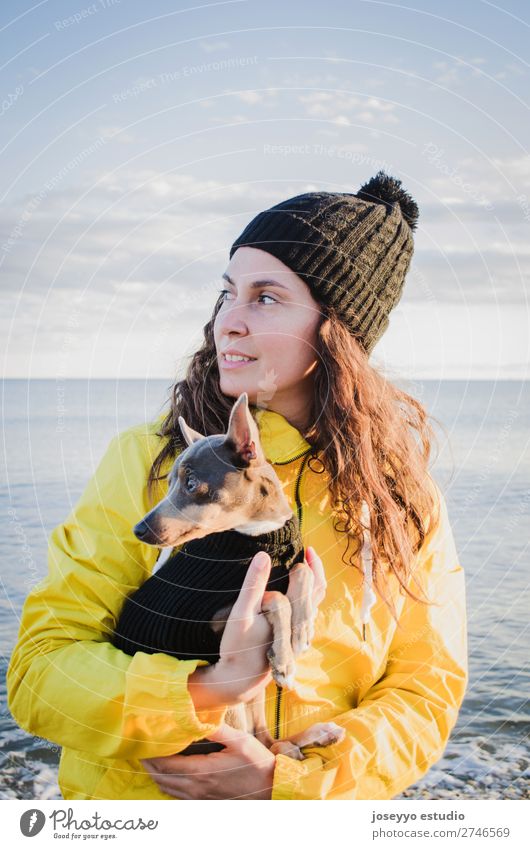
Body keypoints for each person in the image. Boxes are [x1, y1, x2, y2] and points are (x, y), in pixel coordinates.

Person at [7, 171, 468, 800]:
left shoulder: (399, 500)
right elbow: (40, 674)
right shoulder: (149, 462)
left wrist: (289, 783)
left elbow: (426, 688)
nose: (229, 321)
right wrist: (203, 692)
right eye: (227, 293)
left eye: (267, 297)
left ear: (338, 331)